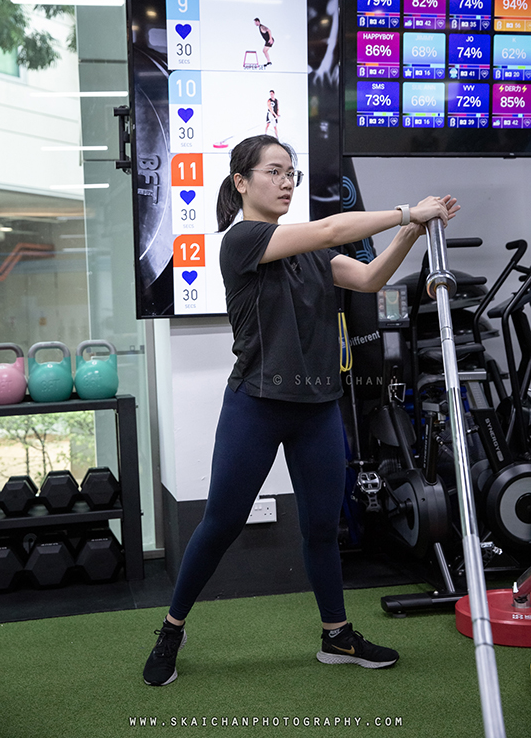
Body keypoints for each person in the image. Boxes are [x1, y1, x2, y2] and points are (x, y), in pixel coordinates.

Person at [143, 134, 459, 687]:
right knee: (220, 523)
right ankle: (172, 628)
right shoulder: (239, 240)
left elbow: (367, 278)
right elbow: (335, 229)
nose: (288, 181)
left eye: (292, 173)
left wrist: (409, 232)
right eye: (274, 171)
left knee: (319, 528)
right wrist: (409, 209)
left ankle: (336, 636)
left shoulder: (311, 249)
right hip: (257, 406)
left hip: (317, 407)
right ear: (242, 182)